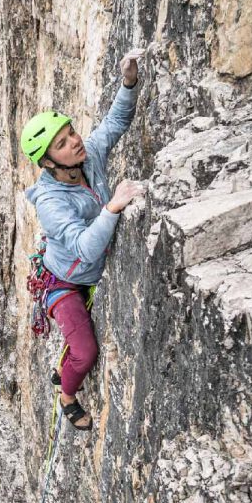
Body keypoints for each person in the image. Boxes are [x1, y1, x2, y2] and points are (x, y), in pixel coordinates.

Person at [21, 48, 146, 429]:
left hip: (78, 269)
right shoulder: (51, 203)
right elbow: (85, 247)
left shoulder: (86, 156)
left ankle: (66, 375)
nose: (74, 142)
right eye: (62, 144)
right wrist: (113, 207)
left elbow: (114, 123)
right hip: (64, 282)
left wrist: (128, 81)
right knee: (86, 353)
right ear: (48, 163)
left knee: (81, 348)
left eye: (70, 132)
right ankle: (67, 395)